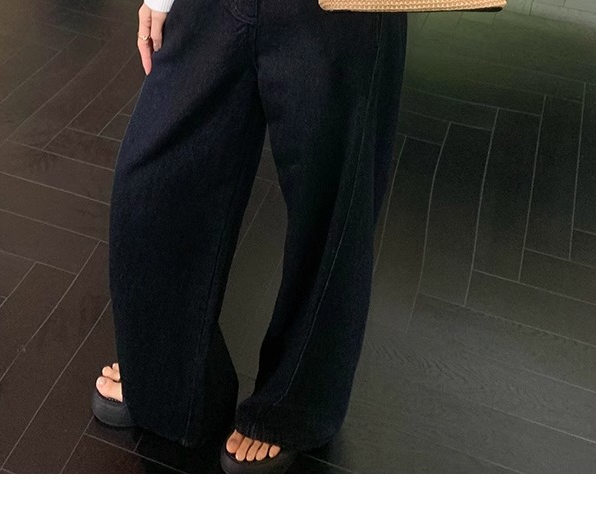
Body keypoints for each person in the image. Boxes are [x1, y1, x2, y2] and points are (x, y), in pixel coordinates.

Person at [90, 0, 408, 473]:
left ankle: (292, 406)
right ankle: (168, 377)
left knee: (331, 208)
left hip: (340, 10)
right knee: (154, 181)